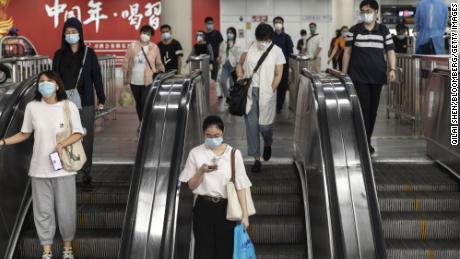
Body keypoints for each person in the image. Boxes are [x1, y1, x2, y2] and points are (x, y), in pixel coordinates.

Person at [0, 70, 84, 259]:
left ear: (57, 85)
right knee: (42, 212)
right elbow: (24, 133)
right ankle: (47, 251)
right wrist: (3, 142)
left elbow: (79, 132)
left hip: (63, 169)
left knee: (66, 211)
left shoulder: (68, 106)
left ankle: (67, 248)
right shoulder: (32, 107)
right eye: (41, 82)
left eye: (48, 81)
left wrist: (62, 144)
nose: (44, 85)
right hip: (39, 169)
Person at [179, 115, 252, 259]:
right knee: (203, 250)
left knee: (225, 251)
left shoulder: (234, 154)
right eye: (209, 135)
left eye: (217, 135)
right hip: (203, 207)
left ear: (223, 133)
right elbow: (191, 186)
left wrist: (245, 215)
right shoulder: (195, 153)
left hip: (226, 209)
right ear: (203, 134)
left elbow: (241, 186)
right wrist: (201, 171)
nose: (213, 138)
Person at [52, 17, 105, 190]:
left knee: (85, 137)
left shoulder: (89, 53)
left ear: (80, 34)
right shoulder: (59, 54)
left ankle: (85, 172)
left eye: (74, 32)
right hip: (63, 103)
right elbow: (54, 77)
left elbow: (96, 76)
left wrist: (101, 98)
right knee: (63, 136)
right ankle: (66, 168)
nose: (71, 35)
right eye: (67, 32)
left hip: (86, 102)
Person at [342, 0, 396, 155]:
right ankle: (364, 143)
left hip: (377, 77)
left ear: (376, 12)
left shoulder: (384, 30)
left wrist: (392, 69)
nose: (366, 14)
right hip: (358, 77)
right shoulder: (354, 30)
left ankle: (366, 140)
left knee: (373, 112)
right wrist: (344, 73)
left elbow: (390, 51)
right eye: (363, 11)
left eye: (369, 11)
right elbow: (347, 52)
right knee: (364, 109)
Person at [237, 23, 285, 172]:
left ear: (270, 38)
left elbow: (278, 74)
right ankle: (256, 159)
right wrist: (240, 76)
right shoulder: (250, 47)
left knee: (265, 126)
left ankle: (267, 143)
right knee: (251, 127)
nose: (262, 42)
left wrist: (271, 90)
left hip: (267, 94)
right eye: (260, 39)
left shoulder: (277, 51)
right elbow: (240, 64)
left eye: (265, 39)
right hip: (250, 92)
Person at [123, 25, 165, 124]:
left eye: (148, 34)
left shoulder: (154, 47)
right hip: (134, 80)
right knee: (139, 103)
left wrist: (162, 71)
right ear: (140, 33)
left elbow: (158, 62)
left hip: (148, 80)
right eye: (144, 33)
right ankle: (141, 121)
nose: (145, 35)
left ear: (151, 36)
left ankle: (146, 122)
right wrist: (125, 78)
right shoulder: (132, 46)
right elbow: (126, 61)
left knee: (145, 101)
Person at [272, 16, 294, 114]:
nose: (278, 24)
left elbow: (290, 52)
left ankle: (279, 106)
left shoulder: (287, 37)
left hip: (283, 66)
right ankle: (270, 104)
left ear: (283, 24)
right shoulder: (270, 36)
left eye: (280, 22)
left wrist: (290, 67)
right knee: (271, 85)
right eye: (276, 22)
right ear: (273, 24)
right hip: (271, 65)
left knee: (282, 86)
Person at [217, 27, 240, 102]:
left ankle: (232, 98)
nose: (230, 34)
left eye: (231, 33)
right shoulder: (223, 43)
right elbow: (220, 53)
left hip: (233, 66)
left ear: (234, 34)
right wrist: (219, 58)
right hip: (225, 65)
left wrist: (238, 66)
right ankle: (227, 96)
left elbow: (238, 55)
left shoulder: (237, 43)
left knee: (232, 84)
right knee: (222, 81)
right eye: (228, 32)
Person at [204, 17, 224, 81]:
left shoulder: (217, 33)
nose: (210, 24)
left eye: (211, 23)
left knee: (214, 77)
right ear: (205, 24)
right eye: (208, 23)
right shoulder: (203, 35)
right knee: (205, 77)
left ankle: (213, 89)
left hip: (215, 59)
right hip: (205, 59)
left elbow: (221, 45)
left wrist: (219, 56)